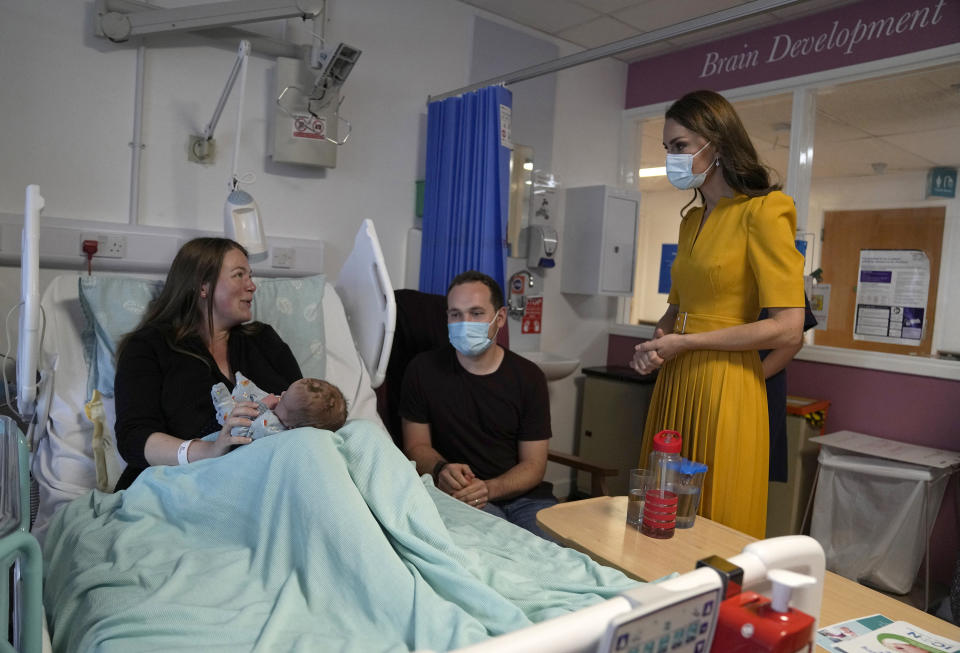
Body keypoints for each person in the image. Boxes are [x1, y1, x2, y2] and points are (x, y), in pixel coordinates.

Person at [630, 89, 805, 539]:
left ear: (719, 145)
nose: (673, 157)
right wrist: (657, 344)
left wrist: (687, 342)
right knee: (662, 512)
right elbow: (676, 309)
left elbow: (788, 328)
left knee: (714, 522)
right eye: (667, 148)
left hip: (727, 386)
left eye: (681, 146)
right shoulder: (692, 220)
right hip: (677, 380)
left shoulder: (765, 211)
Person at [113, 237, 302, 490]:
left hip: (272, 476)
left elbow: (306, 405)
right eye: (239, 275)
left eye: (250, 276)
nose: (252, 286)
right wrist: (211, 449)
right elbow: (134, 439)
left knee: (361, 434)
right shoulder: (150, 347)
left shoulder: (263, 340)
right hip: (184, 484)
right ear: (203, 286)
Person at [399, 270, 556, 539]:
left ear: (500, 318)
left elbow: (534, 464)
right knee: (500, 553)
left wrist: (490, 488)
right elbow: (416, 446)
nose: (464, 323)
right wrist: (441, 469)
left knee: (557, 556)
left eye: (476, 313)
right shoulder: (422, 371)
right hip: (459, 496)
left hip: (526, 498)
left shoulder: (529, 377)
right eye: (455, 314)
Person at [760, 297, 817, 483]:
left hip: (759, 386)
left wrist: (745, 382)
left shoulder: (778, 271)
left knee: (748, 476)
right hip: (719, 382)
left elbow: (794, 340)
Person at [211, 372, 347, 438]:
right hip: (252, 406)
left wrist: (262, 406)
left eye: (283, 398)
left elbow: (242, 429)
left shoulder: (273, 429)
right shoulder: (288, 415)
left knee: (234, 420)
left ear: (291, 426)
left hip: (237, 427)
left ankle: (224, 404)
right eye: (285, 391)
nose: (281, 393)